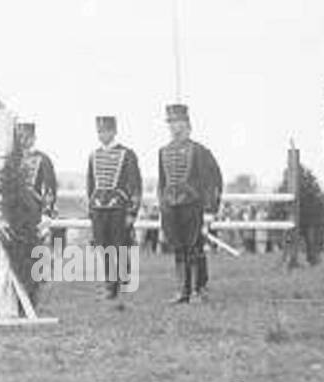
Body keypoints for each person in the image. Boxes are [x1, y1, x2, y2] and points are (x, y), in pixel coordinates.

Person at [157, 104, 223, 304]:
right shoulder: (163, 151)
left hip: (193, 206)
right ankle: (181, 291)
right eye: (172, 123)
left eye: (179, 122)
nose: (175, 127)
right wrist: (162, 204)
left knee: (194, 247)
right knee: (178, 247)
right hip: (171, 207)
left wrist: (210, 209)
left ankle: (197, 289)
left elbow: (213, 181)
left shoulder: (200, 151)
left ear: (188, 125)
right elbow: (162, 182)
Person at [86, 115, 143, 299]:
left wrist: (132, 211)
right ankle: (111, 286)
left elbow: (135, 184)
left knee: (120, 246)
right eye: (100, 131)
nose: (103, 135)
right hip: (98, 208)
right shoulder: (93, 155)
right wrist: (91, 209)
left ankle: (123, 279)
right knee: (104, 247)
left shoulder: (127, 154)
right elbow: (90, 184)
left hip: (118, 207)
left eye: (107, 131)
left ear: (114, 131)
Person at [17, 122, 58, 238]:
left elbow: (50, 187)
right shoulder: (13, 159)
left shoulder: (43, 159)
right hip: (15, 210)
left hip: (34, 209)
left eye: (26, 137)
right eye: (20, 137)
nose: (23, 141)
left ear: (33, 138)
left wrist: (46, 212)